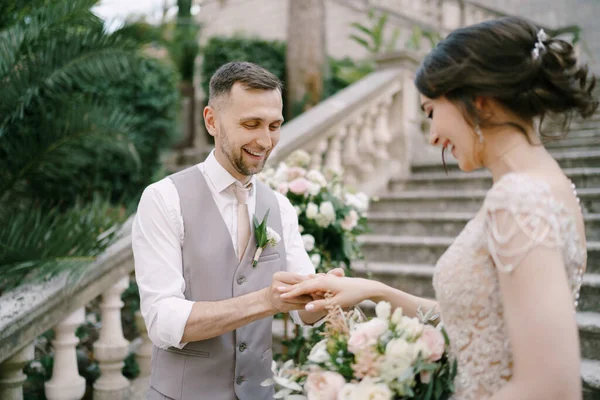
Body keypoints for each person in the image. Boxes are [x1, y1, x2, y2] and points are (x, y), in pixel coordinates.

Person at [281, 17, 598, 400]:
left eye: (431, 111)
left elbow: (550, 388)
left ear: (479, 100)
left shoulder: (519, 199)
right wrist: (372, 291)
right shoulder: (551, 185)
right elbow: (483, 323)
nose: (431, 136)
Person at [132, 61, 340, 400]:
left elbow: (303, 312)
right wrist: (263, 301)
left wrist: (323, 295)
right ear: (212, 121)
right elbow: (162, 320)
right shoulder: (163, 199)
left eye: (275, 125)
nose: (265, 140)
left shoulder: (281, 206)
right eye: (251, 124)